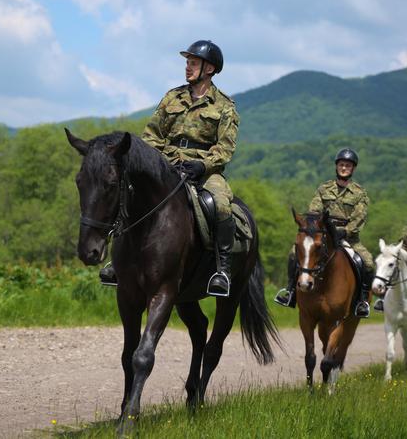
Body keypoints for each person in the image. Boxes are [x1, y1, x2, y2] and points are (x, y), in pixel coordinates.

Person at [99, 39, 240, 297]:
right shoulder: (171, 97)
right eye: (187, 62)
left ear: (209, 69)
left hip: (203, 170)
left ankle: (222, 271)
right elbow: (151, 135)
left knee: (220, 204)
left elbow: (225, 148)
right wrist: (160, 159)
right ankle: (117, 262)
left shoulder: (224, 106)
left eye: (193, 63)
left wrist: (202, 165)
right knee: (128, 192)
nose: (187, 67)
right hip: (165, 164)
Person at [275, 148, 373, 318]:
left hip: (348, 237)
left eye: (348, 165)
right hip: (323, 234)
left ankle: (362, 301)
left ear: (353, 169)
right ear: (336, 167)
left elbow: (360, 218)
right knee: (293, 254)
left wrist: (345, 232)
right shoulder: (324, 189)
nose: (344, 168)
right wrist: (315, 227)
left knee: (368, 262)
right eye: (341, 165)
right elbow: (313, 212)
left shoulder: (360, 193)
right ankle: (290, 291)